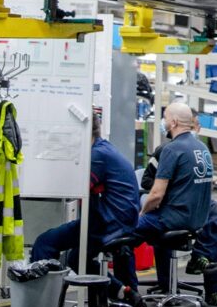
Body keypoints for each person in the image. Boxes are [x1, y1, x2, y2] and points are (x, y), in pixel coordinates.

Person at [29, 110, 141, 295]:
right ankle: (123, 291)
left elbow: (75, 188)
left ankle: (43, 300)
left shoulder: (97, 155)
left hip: (109, 223)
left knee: (45, 243)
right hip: (119, 220)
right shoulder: (104, 149)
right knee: (76, 258)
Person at [134, 102, 217, 307]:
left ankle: (124, 292)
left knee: (124, 233)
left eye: (165, 118)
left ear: (173, 122)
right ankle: (175, 279)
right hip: (182, 210)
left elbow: (159, 194)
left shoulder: (185, 149)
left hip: (178, 213)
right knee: (211, 217)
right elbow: (148, 183)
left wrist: (142, 213)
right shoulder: (182, 149)